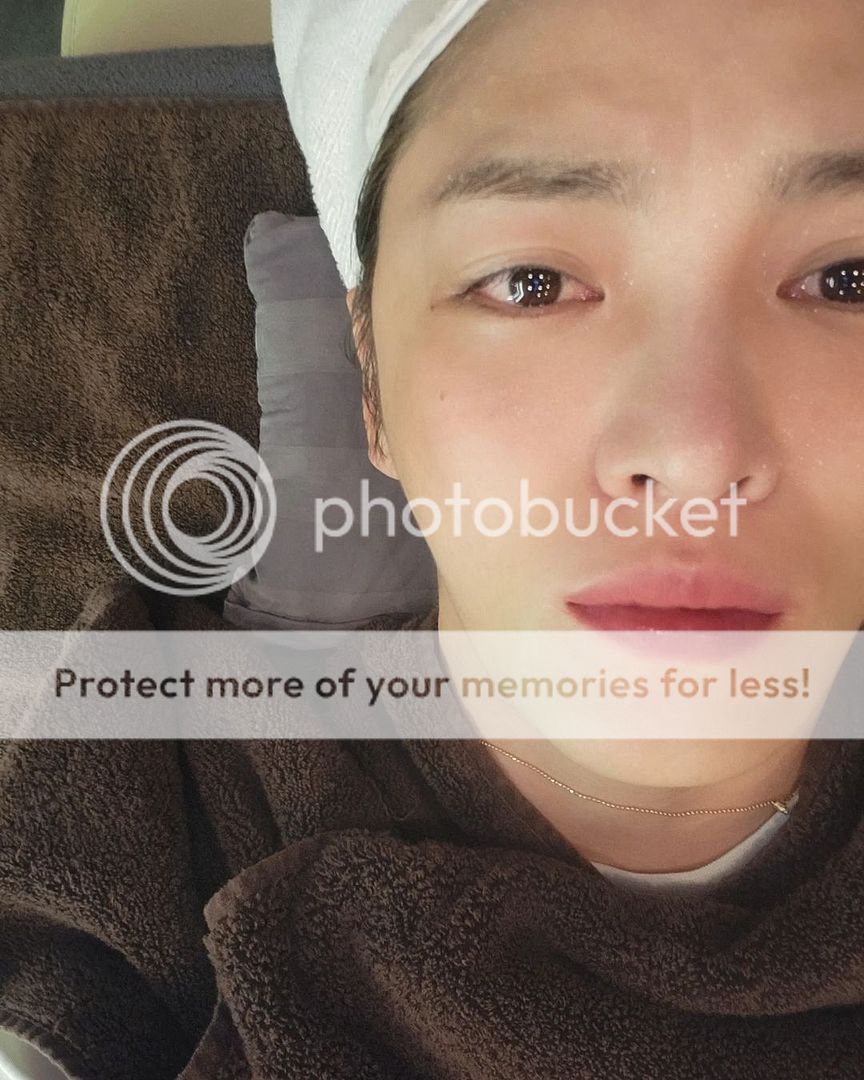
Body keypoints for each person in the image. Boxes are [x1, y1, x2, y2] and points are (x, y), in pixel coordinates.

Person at [1, 0, 863, 1076]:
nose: (694, 453)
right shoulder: (167, 777)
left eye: (849, 280)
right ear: (370, 382)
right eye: (532, 284)